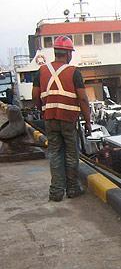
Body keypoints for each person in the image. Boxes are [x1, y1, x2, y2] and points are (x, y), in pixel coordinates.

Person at [32, 35, 92, 202]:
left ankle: (56, 192)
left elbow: (34, 95)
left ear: (55, 52)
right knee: (72, 154)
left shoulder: (41, 71)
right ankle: (72, 188)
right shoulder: (74, 72)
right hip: (68, 119)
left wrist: (43, 110)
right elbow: (83, 100)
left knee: (55, 153)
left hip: (49, 118)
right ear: (68, 54)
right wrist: (88, 122)